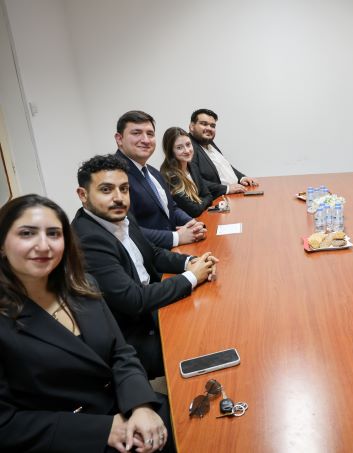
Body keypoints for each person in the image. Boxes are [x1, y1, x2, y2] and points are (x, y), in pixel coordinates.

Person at [0, 194, 173, 453]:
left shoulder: (84, 286)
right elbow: (6, 423)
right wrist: (103, 430)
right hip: (71, 438)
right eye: (27, 233)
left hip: (128, 406)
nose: (44, 245)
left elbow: (121, 353)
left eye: (54, 234)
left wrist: (141, 405)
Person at [72, 154, 218, 379]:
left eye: (124, 189)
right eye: (106, 190)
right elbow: (134, 299)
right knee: (205, 343)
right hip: (133, 336)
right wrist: (191, 277)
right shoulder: (88, 239)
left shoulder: (120, 215)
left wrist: (191, 261)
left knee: (214, 314)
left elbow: (153, 254)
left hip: (151, 306)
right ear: (83, 195)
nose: (119, 198)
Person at [115, 110, 206, 249]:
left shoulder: (153, 172)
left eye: (150, 134)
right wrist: (176, 237)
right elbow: (126, 229)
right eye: (136, 133)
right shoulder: (115, 176)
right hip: (150, 256)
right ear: (119, 139)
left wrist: (192, 223)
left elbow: (171, 208)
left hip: (174, 249)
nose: (146, 140)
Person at [188, 108, 258, 197]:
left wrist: (242, 178)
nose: (209, 128)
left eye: (212, 126)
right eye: (204, 124)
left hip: (236, 192)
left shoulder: (209, 142)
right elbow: (194, 181)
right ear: (192, 127)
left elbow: (224, 165)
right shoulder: (188, 148)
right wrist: (227, 189)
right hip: (219, 198)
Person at [160, 127, 214, 217]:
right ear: (171, 151)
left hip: (202, 217)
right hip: (187, 223)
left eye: (188, 144)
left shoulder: (192, 167)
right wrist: (204, 202)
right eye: (179, 147)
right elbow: (194, 210)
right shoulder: (169, 176)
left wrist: (201, 203)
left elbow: (209, 196)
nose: (187, 150)